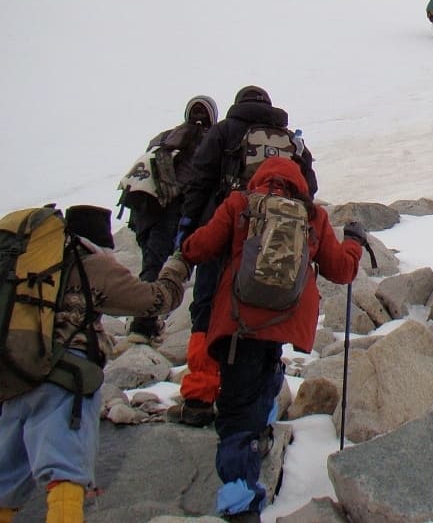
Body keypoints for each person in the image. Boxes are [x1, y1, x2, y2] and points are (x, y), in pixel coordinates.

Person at [181, 157, 364, 522]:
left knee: (234, 415)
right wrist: (355, 243)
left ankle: (240, 502)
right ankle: (259, 435)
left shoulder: (239, 204)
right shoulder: (312, 215)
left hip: (238, 324)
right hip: (282, 325)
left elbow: (198, 249)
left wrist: (183, 246)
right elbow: (342, 270)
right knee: (265, 373)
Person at [0, 205, 189, 523]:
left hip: (13, 375)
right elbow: (155, 300)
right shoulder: (93, 265)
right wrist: (178, 266)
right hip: (65, 380)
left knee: (4, 481)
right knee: (66, 470)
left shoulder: (33, 264)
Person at [169, 85, 316, 428]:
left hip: (223, 232)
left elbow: (199, 180)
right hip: (272, 243)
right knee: (265, 311)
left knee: (206, 311)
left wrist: (190, 228)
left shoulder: (224, 132)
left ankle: (200, 396)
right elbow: (308, 188)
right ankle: (258, 403)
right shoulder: (289, 140)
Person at [122, 95, 217, 343]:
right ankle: (152, 325)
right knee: (182, 266)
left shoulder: (164, 138)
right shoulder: (210, 139)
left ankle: (143, 323)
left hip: (148, 211)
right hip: (179, 211)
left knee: (152, 265)